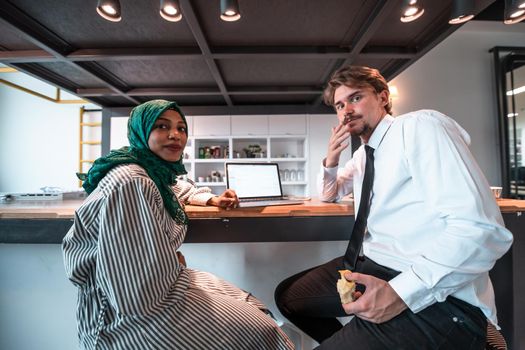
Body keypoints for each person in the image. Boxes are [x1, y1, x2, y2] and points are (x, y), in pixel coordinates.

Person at [274, 65, 513, 349]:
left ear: (383, 97)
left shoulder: (418, 127)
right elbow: (329, 193)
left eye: (355, 98)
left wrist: (400, 293)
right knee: (289, 298)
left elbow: (481, 232)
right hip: (373, 265)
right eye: (339, 105)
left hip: (435, 295)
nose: (346, 110)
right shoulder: (365, 154)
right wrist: (331, 158)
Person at [63, 100, 293, 350]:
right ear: (141, 131)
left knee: (255, 308)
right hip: (130, 317)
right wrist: (170, 263)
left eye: (181, 128)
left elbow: (177, 188)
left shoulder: (149, 171)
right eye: (162, 126)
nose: (175, 135)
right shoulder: (132, 182)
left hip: (161, 285)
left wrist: (212, 199)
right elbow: (134, 295)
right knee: (265, 332)